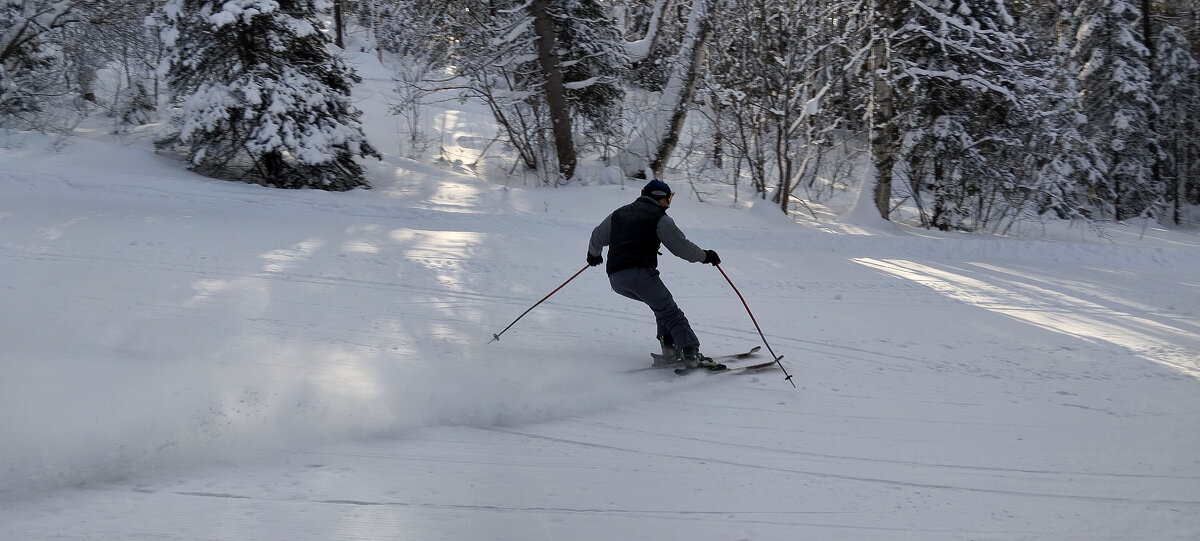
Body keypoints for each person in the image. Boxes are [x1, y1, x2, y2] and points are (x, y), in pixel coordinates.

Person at [587, 179, 721, 368]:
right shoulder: (659, 218)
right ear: (660, 198)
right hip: (640, 275)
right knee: (671, 312)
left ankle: (670, 349)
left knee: (660, 306)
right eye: (669, 198)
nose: (669, 203)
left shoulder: (618, 214)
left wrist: (593, 255)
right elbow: (682, 248)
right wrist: (705, 256)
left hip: (616, 279)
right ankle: (691, 355)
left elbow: (597, 235)